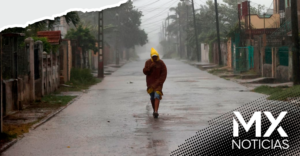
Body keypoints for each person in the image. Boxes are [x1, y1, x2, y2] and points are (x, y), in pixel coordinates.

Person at [143, 48, 167, 118]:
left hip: (158, 83)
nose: (154, 58)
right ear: (151, 56)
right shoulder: (148, 62)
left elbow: (164, 73)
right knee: (152, 97)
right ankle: (154, 110)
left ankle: (156, 111)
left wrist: (160, 82)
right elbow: (145, 72)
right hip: (150, 83)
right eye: (153, 56)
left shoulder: (161, 63)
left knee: (157, 96)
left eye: (155, 56)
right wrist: (150, 67)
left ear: (157, 56)